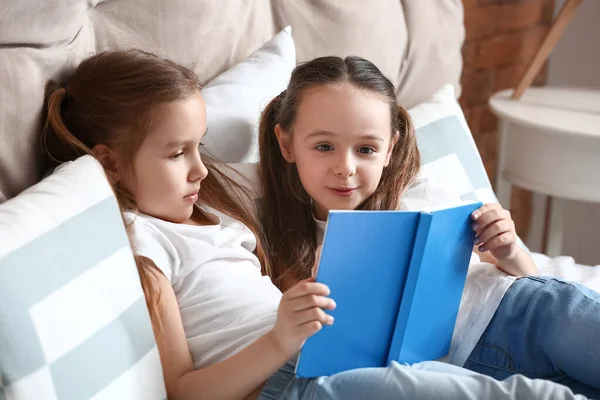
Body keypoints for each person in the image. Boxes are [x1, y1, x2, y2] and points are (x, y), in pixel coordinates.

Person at [40, 49, 587, 400]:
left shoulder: (218, 217)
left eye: (198, 148)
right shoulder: (149, 241)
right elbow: (183, 388)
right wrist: (284, 335)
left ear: (391, 143)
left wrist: (511, 253)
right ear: (109, 162)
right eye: (178, 153)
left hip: (346, 351)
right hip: (302, 372)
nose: (201, 169)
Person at [257, 55, 600, 398]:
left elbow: (522, 276)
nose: (345, 167)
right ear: (286, 144)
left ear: (389, 149)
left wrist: (509, 251)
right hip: (472, 365)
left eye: (365, 149)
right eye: (324, 147)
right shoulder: (280, 240)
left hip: (525, 310)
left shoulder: (420, 193)